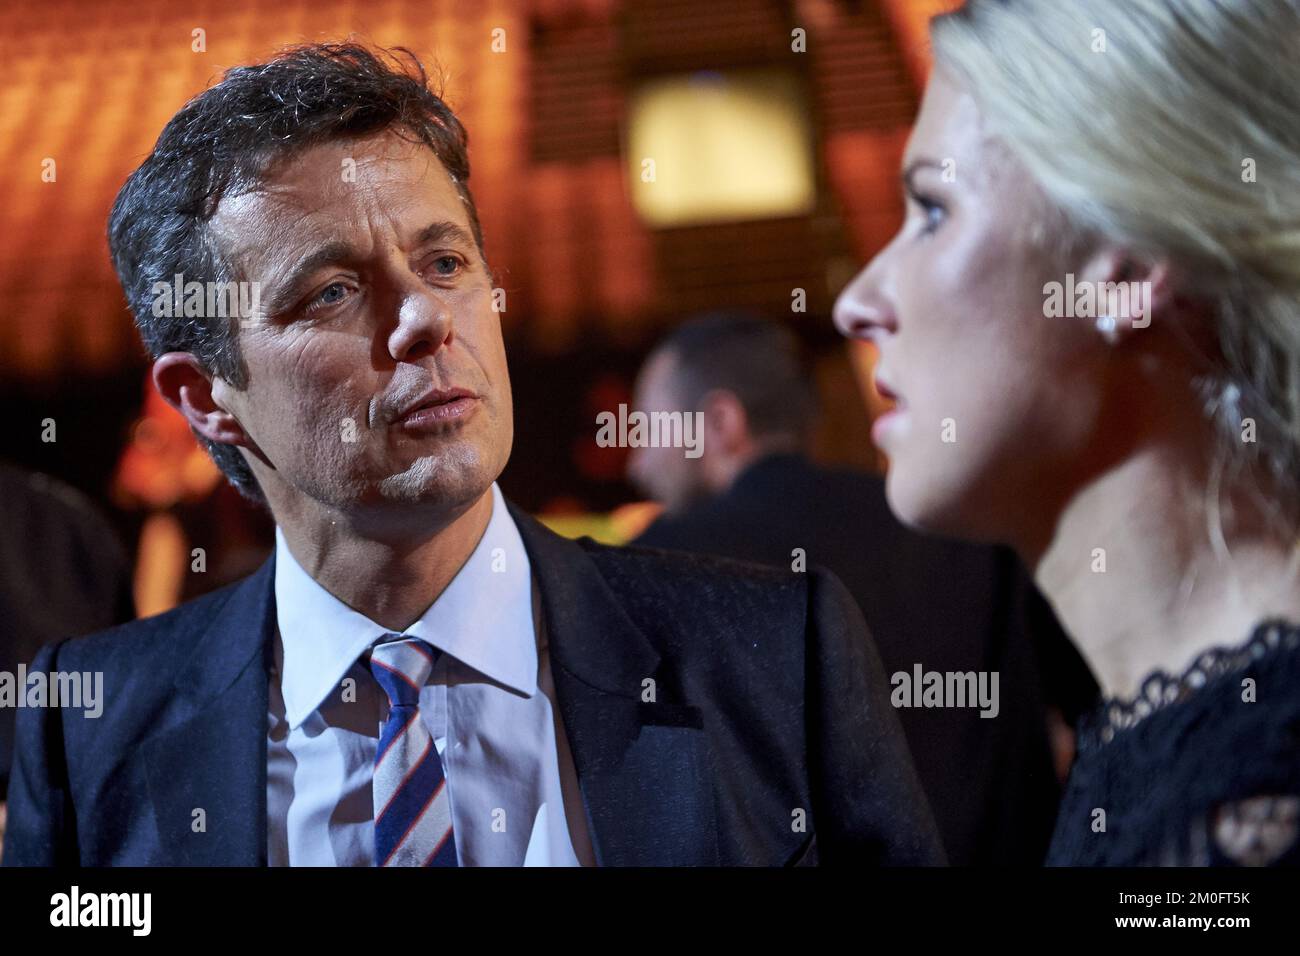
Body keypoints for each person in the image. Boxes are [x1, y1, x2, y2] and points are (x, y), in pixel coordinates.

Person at [2, 41, 941, 867]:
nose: (424, 318)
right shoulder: (84, 735)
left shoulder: (773, 657)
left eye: (446, 264)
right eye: (330, 292)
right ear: (206, 398)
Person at [833, 0, 1300, 866]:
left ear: (1124, 275)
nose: (855, 302)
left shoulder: (1258, 803)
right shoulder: (1151, 733)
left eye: (933, 211)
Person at [629, 312, 1097, 865]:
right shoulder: (964, 527)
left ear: (721, 422)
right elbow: (1095, 706)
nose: (637, 461)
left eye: (645, 428)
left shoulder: (658, 567)